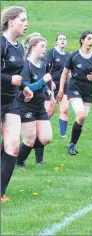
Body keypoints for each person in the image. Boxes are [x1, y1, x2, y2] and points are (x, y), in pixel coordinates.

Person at [56, 30, 92, 155]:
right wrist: (61, 90)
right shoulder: (74, 56)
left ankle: (72, 143)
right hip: (74, 88)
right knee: (81, 115)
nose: (91, 41)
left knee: (81, 120)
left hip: (88, 91)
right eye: (88, 38)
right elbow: (64, 73)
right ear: (82, 40)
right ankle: (71, 144)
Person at [1, 6, 29, 203]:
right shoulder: (1, 43)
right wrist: (10, 79)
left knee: (12, 147)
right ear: (11, 22)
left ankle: (1, 193)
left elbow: (19, 77)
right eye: (22, 20)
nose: (26, 24)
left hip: (10, 101)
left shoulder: (19, 47)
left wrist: (24, 88)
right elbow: (11, 77)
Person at [16, 36, 54, 167]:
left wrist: (47, 90)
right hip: (25, 105)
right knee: (29, 140)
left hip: (39, 105)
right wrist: (43, 81)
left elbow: (41, 84)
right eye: (42, 46)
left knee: (46, 138)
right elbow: (26, 87)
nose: (45, 49)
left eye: (46, 46)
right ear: (33, 47)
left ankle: (12, 152)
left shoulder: (43, 64)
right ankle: (19, 161)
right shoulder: (25, 65)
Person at [45, 33, 70, 137]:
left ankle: (63, 135)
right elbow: (46, 70)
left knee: (64, 110)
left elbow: (69, 72)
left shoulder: (68, 55)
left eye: (64, 39)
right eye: (60, 39)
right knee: (50, 111)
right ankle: (42, 129)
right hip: (52, 86)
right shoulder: (52, 53)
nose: (63, 40)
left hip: (64, 86)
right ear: (56, 41)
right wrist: (51, 83)